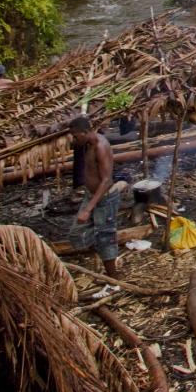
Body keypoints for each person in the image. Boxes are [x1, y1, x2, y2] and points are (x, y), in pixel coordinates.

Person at [69, 116, 123, 280]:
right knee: (76, 234)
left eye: (76, 136)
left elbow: (106, 180)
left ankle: (113, 281)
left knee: (106, 239)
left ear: (85, 132)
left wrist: (88, 209)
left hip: (104, 199)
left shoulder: (100, 146)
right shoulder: (87, 144)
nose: (74, 139)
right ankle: (105, 256)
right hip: (91, 195)